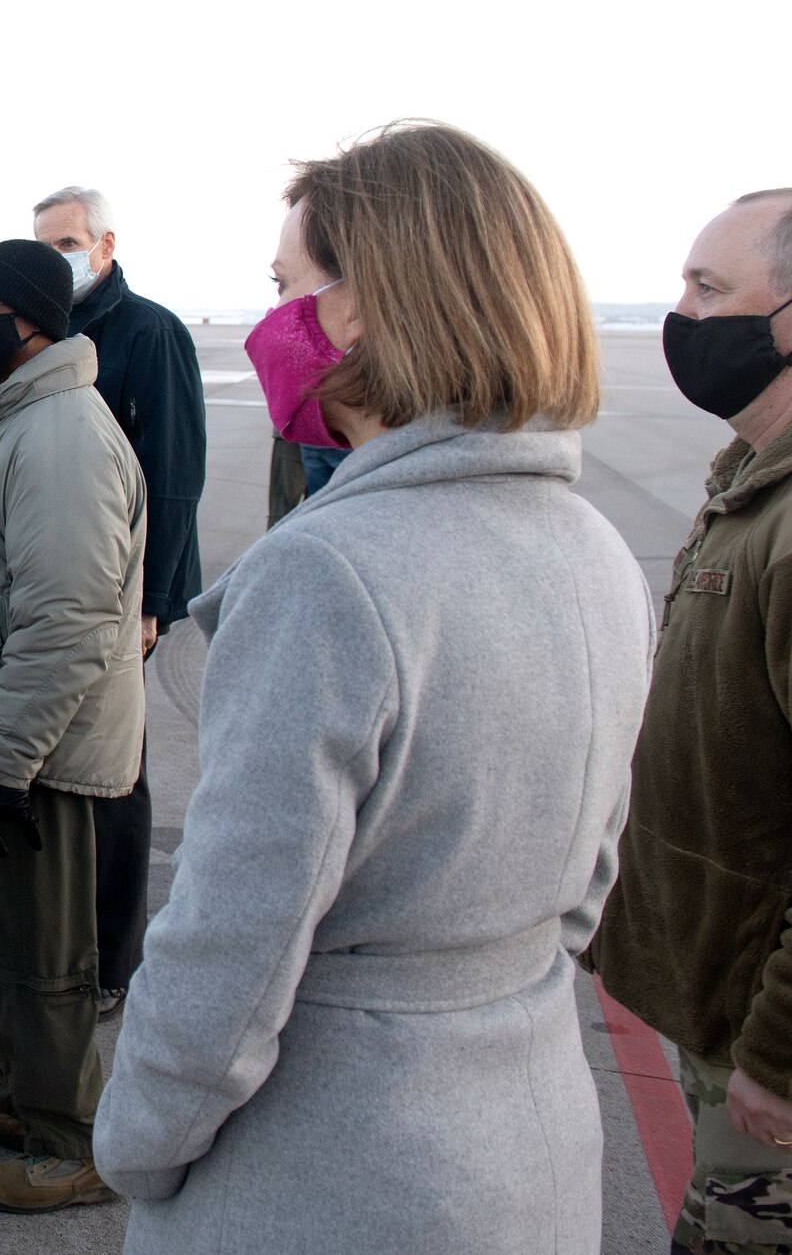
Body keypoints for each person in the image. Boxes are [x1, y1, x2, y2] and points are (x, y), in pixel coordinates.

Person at [92, 122, 654, 1254]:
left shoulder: (324, 572)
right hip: (529, 1141)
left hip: (334, 1167)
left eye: (284, 285)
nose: (269, 320)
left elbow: (230, 940)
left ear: (356, 310)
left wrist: (137, 1138)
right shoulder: (593, 547)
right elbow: (585, 881)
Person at [0, 239, 146, 1214]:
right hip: (13, 751)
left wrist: (6, 762)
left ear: (34, 316)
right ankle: (20, 1096)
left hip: (41, 758)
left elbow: (66, 620)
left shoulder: (57, 437)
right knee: (8, 940)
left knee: (49, 958)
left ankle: (72, 1141)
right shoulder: (21, 420)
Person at [585, 187, 792, 1255]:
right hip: (721, 1005)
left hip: (765, 1047)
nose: (679, 314)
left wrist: (779, 1051)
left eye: (707, 289)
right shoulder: (748, 480)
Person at [33, 187, 205, 1020]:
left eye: (68, 242)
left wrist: (155, 599)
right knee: (46, 761)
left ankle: (110, 958)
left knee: (113, 774)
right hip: (58, 585)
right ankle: (51, 933)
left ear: (104, 245)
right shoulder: (50, 332)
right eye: (45, 244)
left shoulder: (151, 333)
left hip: (122, 590)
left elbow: (175, 474)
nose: (57, 256)